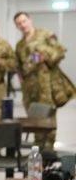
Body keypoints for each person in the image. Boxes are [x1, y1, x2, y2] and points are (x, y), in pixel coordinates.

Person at [13, 11, 73, 148]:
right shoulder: (20, 44)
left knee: (47, 118)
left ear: (30, 20)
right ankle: (38, 150)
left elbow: (59, 52)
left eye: (24, 21)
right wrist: (21, 79)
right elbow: (18, 66)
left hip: (45, 85)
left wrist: (45, 56)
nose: (22, 25)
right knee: (33, 119)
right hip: (29, 89)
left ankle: (48, 151)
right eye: (18, 23)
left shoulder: (45, 34)